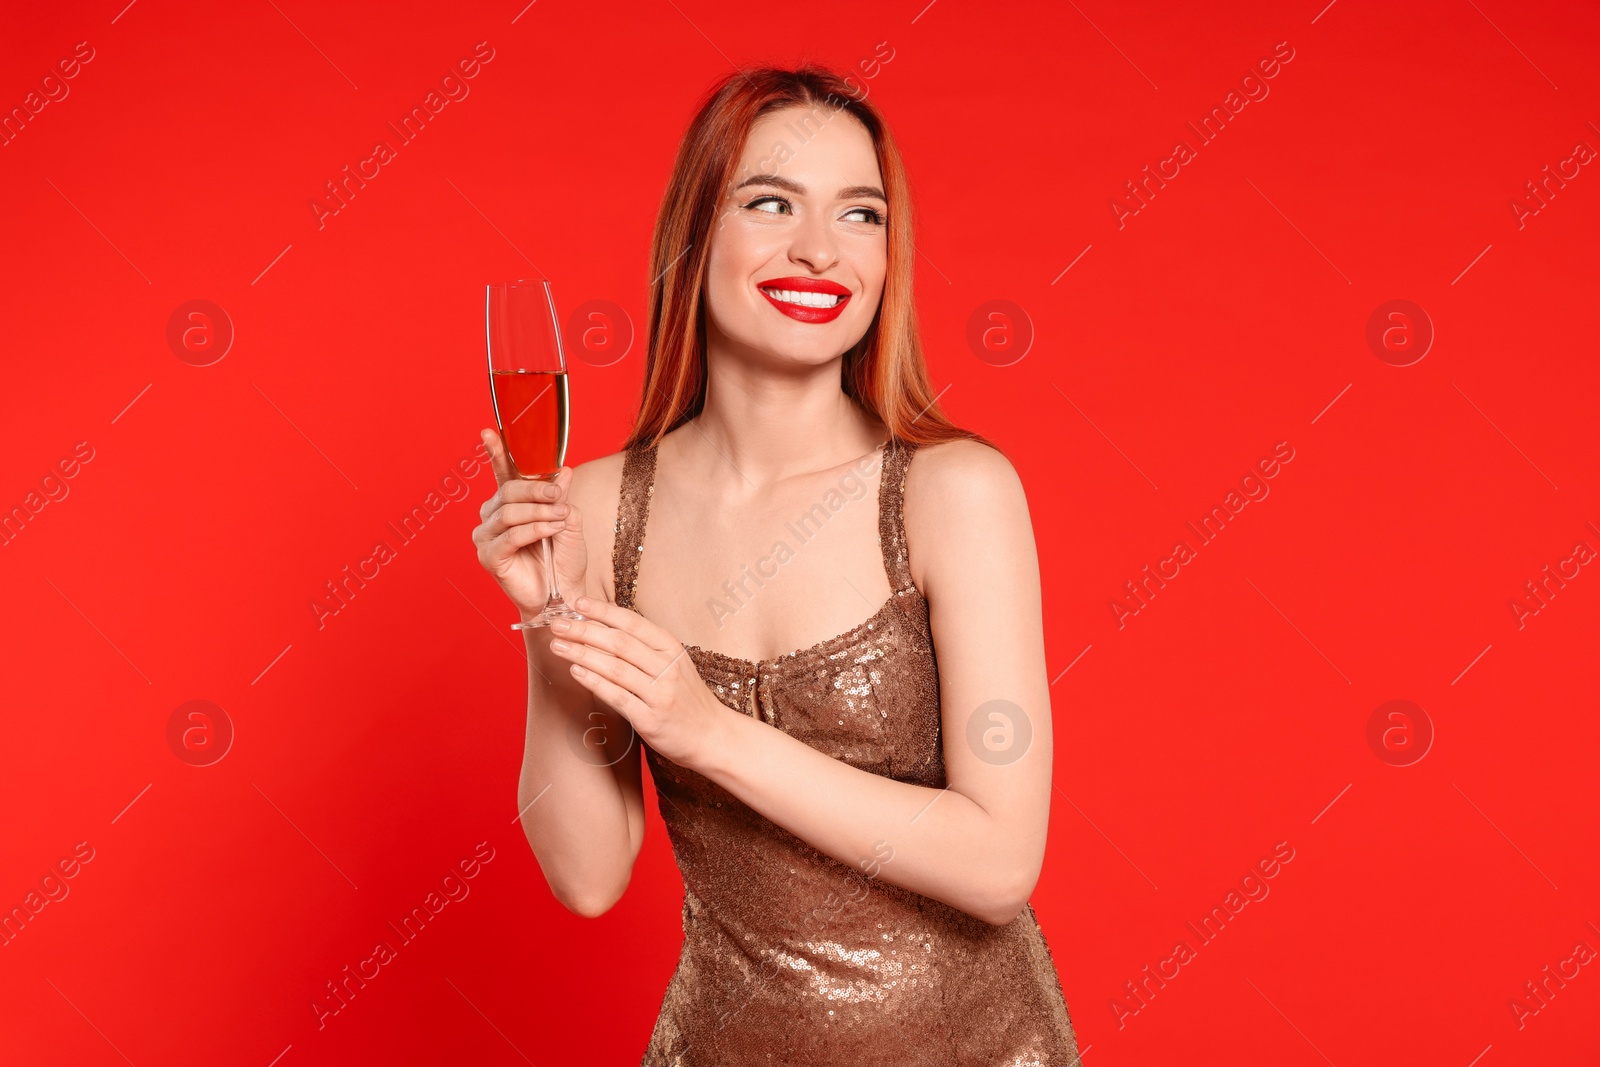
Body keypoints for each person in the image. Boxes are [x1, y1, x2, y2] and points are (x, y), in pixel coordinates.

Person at [473, 65, 1082, 1065]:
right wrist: (557, 616)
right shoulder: (598, 505)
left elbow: (1000, 860)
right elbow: (585, 878)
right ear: (694, 237)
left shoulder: (951, 493)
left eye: (860, 215)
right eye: (770, 202)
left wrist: (705, 731)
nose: (820, 250)